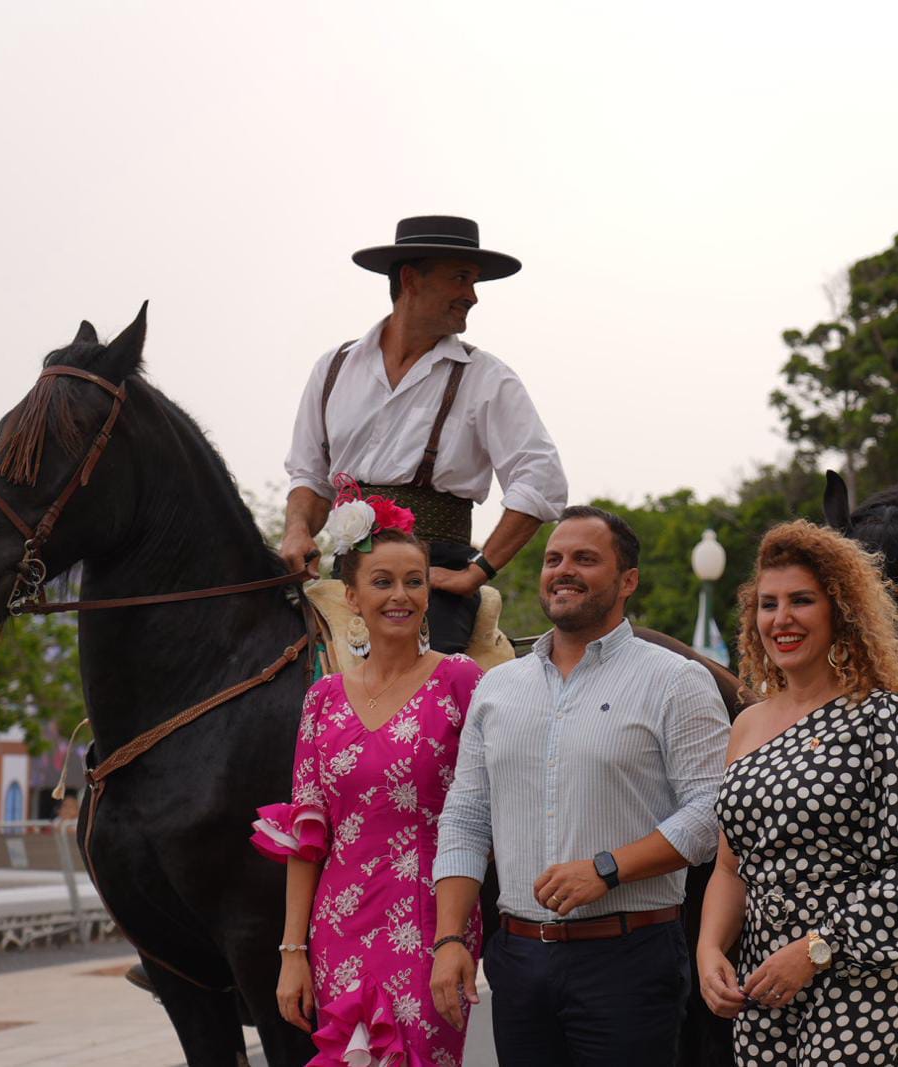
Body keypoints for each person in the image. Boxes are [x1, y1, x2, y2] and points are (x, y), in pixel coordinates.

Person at [429, 506, 731, 1066]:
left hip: (630, 959)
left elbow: (713, 812)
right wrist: (451, 938)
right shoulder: (497, 688)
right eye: (553, 559)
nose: (563, 570)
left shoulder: (676, 680)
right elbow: (466, 816)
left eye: (585, 559)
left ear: (628, 581)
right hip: (517, 961)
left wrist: (606, 869)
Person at [697, 519, 898, 1066]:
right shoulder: (747, 725)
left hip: (865, 981)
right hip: (764, 984)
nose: (781, 619)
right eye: (768, 604)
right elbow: (728, 867)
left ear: (841, 610)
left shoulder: (888, 716)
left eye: (801, 601)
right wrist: (710, 949)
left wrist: (815, 950)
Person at [250, 495, 485, 1066]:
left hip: (431, 923)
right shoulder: (323, 698)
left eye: (415, 581)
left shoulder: (460, 679)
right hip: (338, 928)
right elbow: (309, 836)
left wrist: (454, 935)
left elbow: (485, 808)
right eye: (383, 582)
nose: (400, 595)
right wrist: (292, 951)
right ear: (352, 597)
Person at [280, 215, 568, 654]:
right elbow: (310, 477)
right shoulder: (334, 368)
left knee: (427, 698)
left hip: (433, 582)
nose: (471, 296)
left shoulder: (487, 378)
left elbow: (542, 480)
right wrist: (297, 530)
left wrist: (478, 571)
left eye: (473, 282)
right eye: (460, 278)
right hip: (349, 577)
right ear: (411, 279)